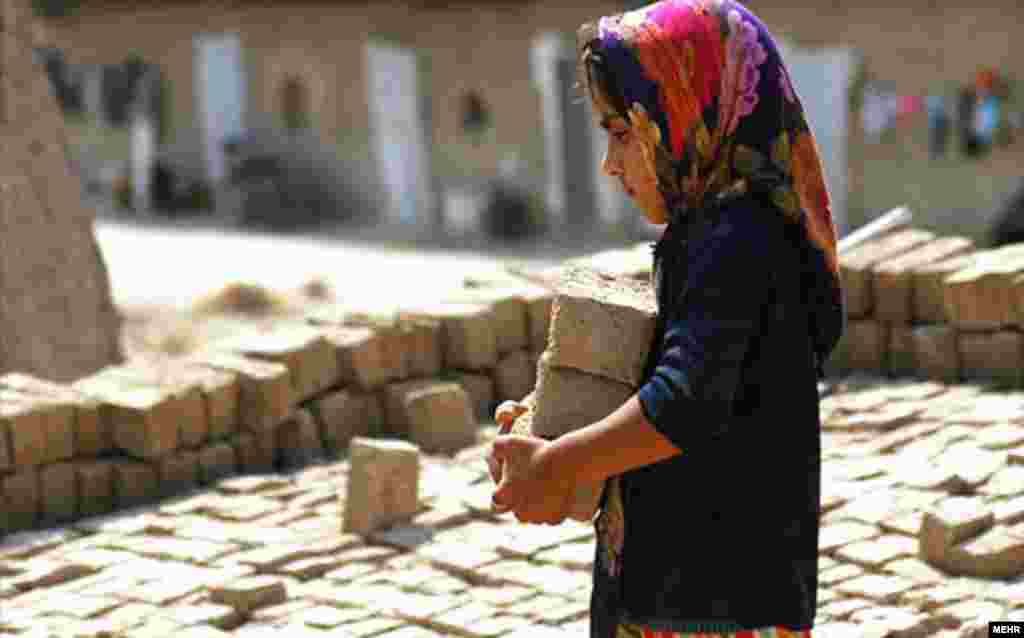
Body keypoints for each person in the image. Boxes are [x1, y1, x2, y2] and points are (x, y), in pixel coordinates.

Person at [487, 1, 845, 636]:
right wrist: (555, 418)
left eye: (621, 133)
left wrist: (559, 465)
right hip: (681, 587)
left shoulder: (740, 238)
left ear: (684, 110)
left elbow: (685, 401)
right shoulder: (706, 228)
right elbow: (679, 375)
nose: (610, 164)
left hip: (716, 603)